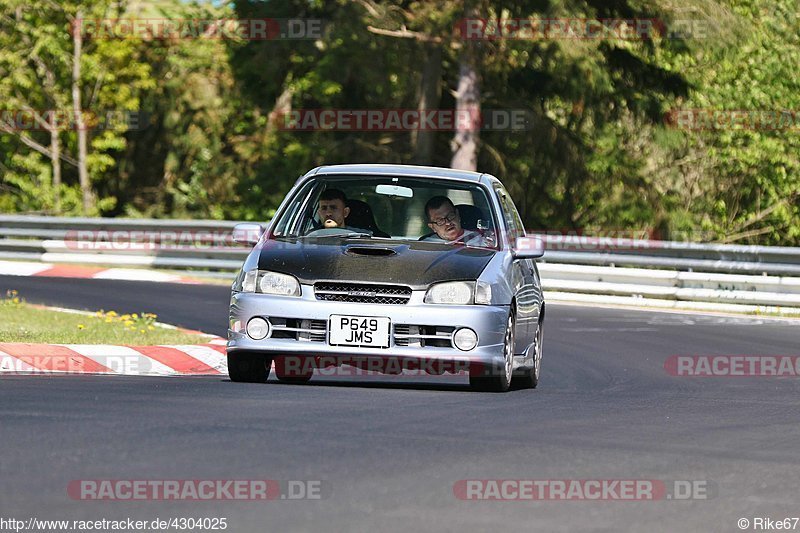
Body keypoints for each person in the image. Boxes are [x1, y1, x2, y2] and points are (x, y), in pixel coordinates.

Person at [423, 196, 490, 247]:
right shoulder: (425, 246)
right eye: (440, 221)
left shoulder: (479, 241)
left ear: (457, 214)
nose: (448, 223)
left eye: (450, 216)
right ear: (432, 227)